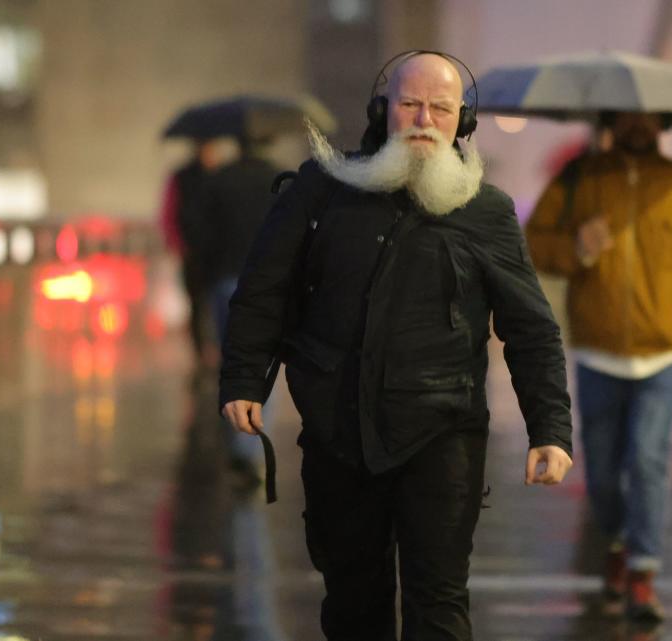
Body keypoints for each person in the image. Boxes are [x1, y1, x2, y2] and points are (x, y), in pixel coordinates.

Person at [219, 51, 573, 641]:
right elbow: (263, 291)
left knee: (439, 602)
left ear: (463, 121)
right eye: (410, 103)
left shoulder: (486, 212)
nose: (423, 119)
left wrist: (551, 430)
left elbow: (532, 329)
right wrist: (243, 379)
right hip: (338, 429)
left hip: (444, 433)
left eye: (441, 107)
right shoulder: (321, 190)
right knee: (354, 601)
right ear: (383, 110)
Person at [525, 112, 672, 622]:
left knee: (646, 458)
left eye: (647, 117)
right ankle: (619, 544)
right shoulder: (580, 179)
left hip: (665, 352)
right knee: (600, 473)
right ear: (611, 120)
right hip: (599, 351)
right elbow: (535, 241)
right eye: (627, 116)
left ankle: (643, 572)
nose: (638, 125)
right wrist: (577, 247)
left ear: (662, 121)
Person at [196, 139, 280, 484]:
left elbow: (202, 233)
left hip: (226, 280)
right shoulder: (278, 178)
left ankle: (234, 443)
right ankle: (252, 448)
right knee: (263, 365)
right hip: (266, 284)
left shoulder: (219, 180)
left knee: (232, 361)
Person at [158, 140, 224, 369]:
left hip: (203, 251)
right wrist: (178, 244)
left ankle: (207, 351)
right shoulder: (190, 177)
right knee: (200, 302)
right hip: (199, 251)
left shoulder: (207, 175)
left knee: (204, 302)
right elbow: (170, 213)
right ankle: (204, 353)